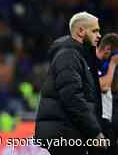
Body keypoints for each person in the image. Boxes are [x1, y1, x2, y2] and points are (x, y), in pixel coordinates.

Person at [35, 12, 107, 155]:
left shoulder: (76, 55)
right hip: (65, 132)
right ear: (80, 31)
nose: (99, 35)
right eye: (94, 31)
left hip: (67, 130)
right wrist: (94, 132)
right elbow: (72, 98)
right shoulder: (68, 55)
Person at [96, 33, 118, 155]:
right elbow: (103, 86)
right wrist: (113, 64)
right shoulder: (93, 62)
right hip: (98, 122)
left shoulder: (104, 65)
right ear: (108, 49)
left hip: (106, 121)